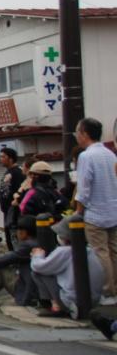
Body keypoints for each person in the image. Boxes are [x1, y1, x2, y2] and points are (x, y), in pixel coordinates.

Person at [74, 117, 117, 305]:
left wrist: (78, 211)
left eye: (77, 132)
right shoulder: (111, 154)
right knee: (114, 252)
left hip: (95, 213)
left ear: (84, 134)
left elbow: (84, 188)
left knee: (101, 253)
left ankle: (108, 292)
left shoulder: (86, 156)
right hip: (114, 210)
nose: (76, 136)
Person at [30, 214, 104, 319]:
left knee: (38, 273)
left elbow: (38, 267)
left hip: (71, 301)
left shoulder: (64, 251)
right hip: (94, 300)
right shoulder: (90, 250)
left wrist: (37, 255)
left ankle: (55, 306)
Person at [0, 147, 25, 252]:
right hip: (7, 211)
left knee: (14, 237)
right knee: (9, 237)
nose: (0, 159)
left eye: (3, 156)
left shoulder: (17, 173)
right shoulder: (7, 172)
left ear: (11, 158)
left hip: (14, 211)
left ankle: (17, 261)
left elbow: (21, 191)